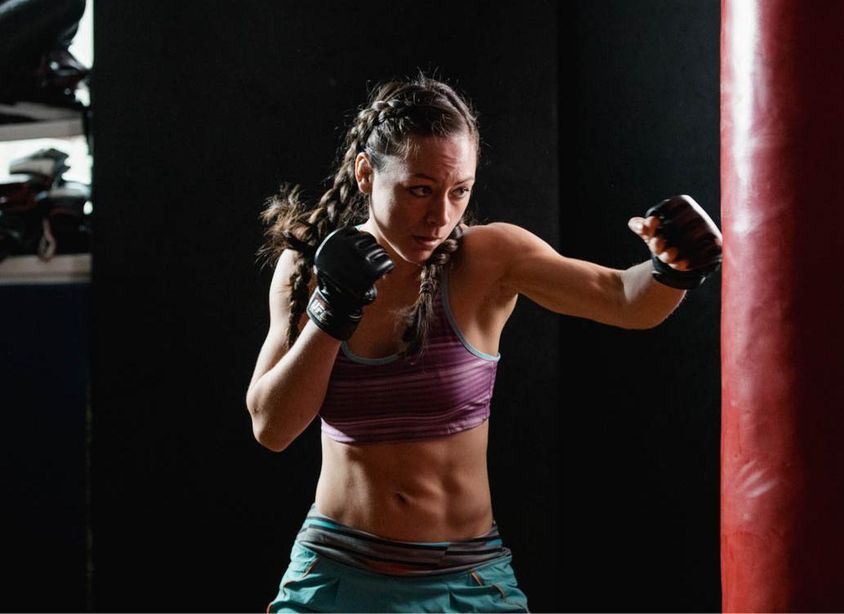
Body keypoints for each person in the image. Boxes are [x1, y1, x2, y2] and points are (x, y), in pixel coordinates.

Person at [246, 73, 722, 613]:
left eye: (459, 191)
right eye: (419, 190)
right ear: (364, 174)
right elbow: (272, 427)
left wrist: (673, 267)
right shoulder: (307, 269)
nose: (440, 217)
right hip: (339, 575)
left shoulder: (489, 259)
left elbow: (625, 299)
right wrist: (332, 311)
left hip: (468, 580)